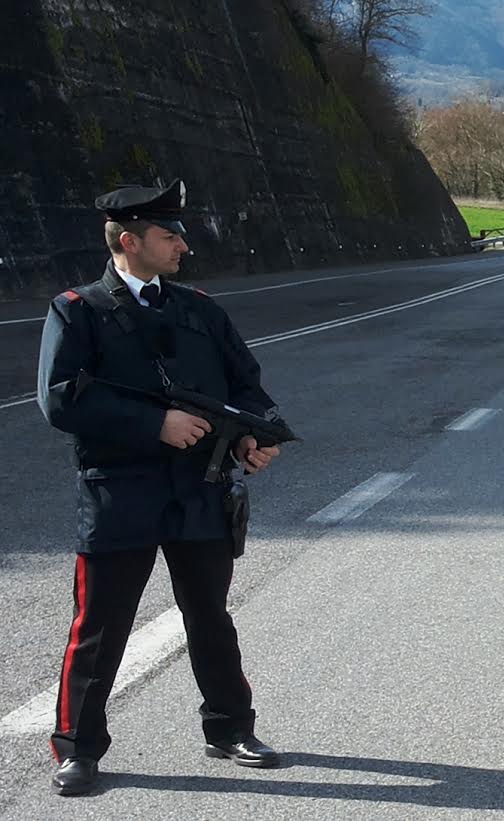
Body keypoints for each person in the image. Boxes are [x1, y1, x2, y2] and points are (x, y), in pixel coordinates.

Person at [36, 179, 286, 796]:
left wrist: (257, 436)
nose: (183, 246)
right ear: (130, 241)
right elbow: (60, 397)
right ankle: (78, 748)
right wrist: (155, 423)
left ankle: (229, 728)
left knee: (210, 616)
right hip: (118, 492)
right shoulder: (79, 310)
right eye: (170, 235)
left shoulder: (201, 309)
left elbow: (246, 386)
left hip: (199, 488)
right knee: (99, 625)